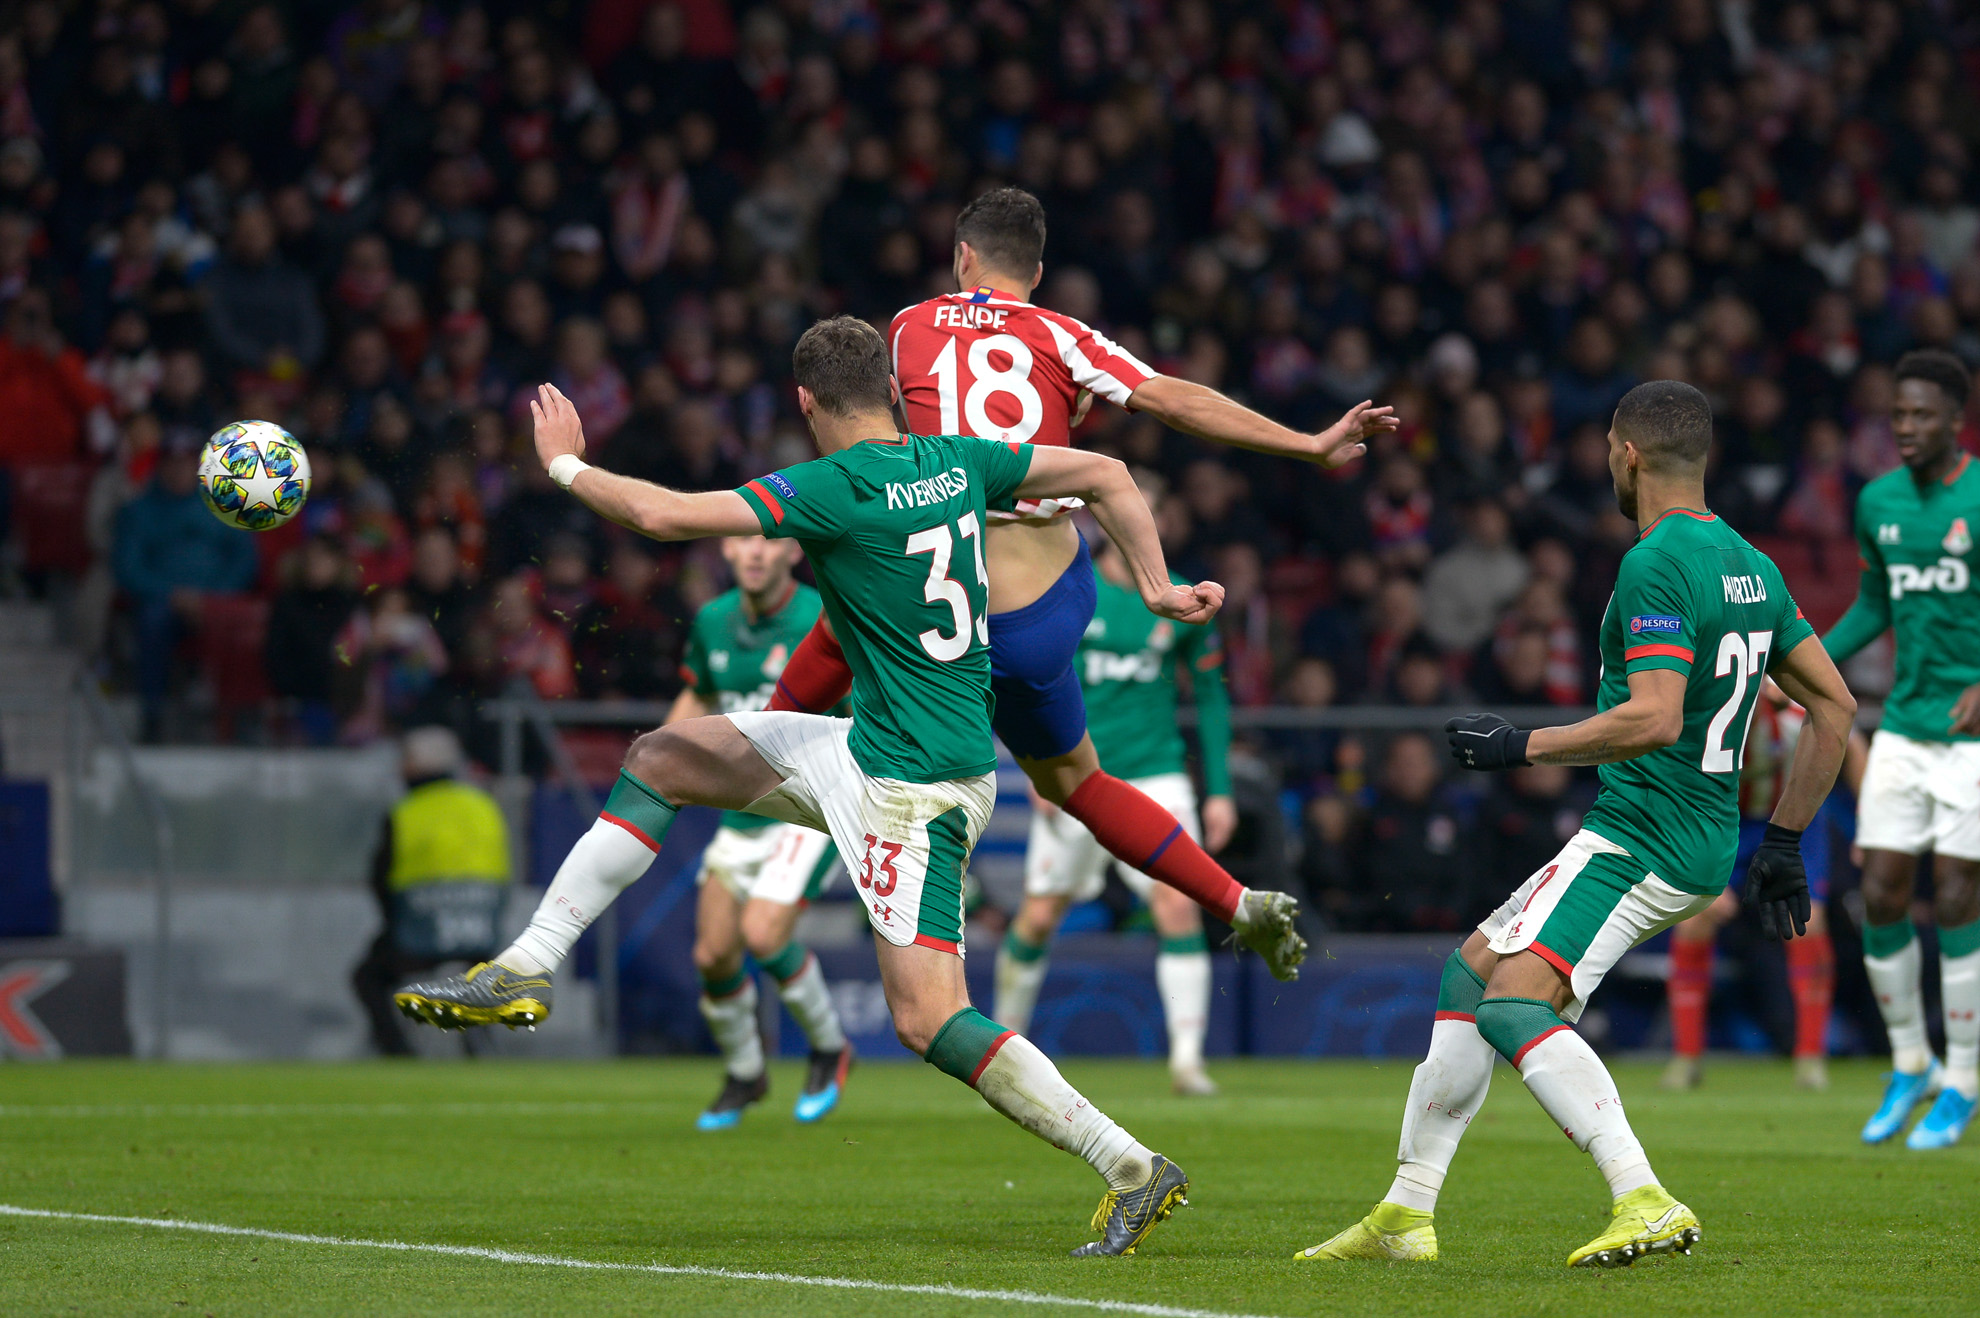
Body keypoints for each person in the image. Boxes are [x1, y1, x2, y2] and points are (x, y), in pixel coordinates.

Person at [398, 319, 1278, 1257]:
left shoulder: (835, 488)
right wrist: (1153, 586)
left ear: (807, 403)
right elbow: (1104, 472)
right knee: (661, 757)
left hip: (917, 791)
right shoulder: (959, 459)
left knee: (926, 1018)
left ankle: (1133, 1166)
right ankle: (526, 966)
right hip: (867, 747)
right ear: (895, 395)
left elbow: (661, 517)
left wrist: (566, 467)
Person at [1299, 380, 1853, 1269]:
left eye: (1605, 447)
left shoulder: (1655, 563)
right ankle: (1406, 1213)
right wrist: (1784, 838)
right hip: (1674, 828)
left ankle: (1643, 1195)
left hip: (1649, 831)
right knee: (1468, 976)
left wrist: (1521, 746)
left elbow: (1656, 716)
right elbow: (1835, 705)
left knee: (1516, 1004)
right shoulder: (1753, 562)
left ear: (1626, 454)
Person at [765, 187, 1392, 967]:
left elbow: (876, 435)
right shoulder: (1063, 337)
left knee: (837, 648)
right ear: (1037, 268)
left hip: (932, 597)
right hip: (1044, 607)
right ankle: (1237, 899)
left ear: (962, 257)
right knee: (1078, 782)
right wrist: (1307, 444)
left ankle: (751, 799)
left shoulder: (910, 326)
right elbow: (1173, 398)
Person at [994, 529, 1235, 1096]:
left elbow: (1210, 696)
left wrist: (1218, 789)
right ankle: (1000, 1049)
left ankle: (1186, 1062)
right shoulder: (1069, 587)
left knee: (1177, 907)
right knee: (1039, 916)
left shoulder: (1184, 597)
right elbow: (1024, 675)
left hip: (1157, 771)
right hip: (1077, 773)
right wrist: (1037, 761)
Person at [1819, 348, 1980, 1150]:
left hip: (1974, 742)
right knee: (1880, 889)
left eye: (1921, 415)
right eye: (1898, 416)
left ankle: (1964, 1080)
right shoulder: (1879, 501)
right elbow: (1874, 603)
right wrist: (1804, 660)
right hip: (1907, 728)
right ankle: (1910, 1062)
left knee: (1955, 894)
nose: (1906, 428)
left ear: (1957, 419)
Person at [673, 533, 854, 1131]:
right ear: (725, 550)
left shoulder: (820, 614)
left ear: (793, 553)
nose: (754, 552)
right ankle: (746, 1073)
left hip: (807, 807)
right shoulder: (713, 620)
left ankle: (829, 1047)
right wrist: (653, 762)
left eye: (768, 541)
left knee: (763, 934)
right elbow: (698, 695)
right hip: (742, 812)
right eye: (743, 540)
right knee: (713, 954)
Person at [1661, 682, 1856, 1092]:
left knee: (1808, 921)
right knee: (1694, 920)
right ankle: (1686, 1057)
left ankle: (1809, 1056)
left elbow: (1850, 741)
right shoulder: (1697, 716)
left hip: (1793, 820)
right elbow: (1673, 785)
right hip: (1721, 823)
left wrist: (1873, 823)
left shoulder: (1794, 713)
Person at [353, 726, 512, 1056]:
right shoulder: (484, 805)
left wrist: (396, 922)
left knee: (366, 976)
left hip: (418, 941)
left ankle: (398, 1052)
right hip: (480, 937)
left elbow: (381, 878)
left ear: (413, 766)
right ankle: (476, 1042)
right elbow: (503, 875)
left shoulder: (406, 813)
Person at [112, 436, 259, 741]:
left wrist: (212, 597)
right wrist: (172, 595)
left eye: (186, 465)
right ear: (160, 468)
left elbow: (245, 559)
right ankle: (153, 714)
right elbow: (128, 567)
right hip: (163, 602)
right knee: (152, 622)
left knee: (246, 626)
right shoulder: (138, 511)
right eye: (172, 465)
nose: (179, 473)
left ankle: (241, 716)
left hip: (218, 602)